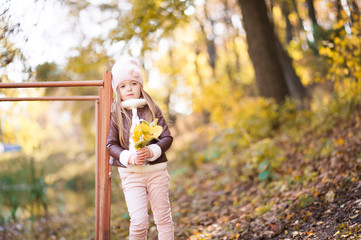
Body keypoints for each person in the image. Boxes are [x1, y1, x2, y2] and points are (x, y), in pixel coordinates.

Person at [106, 56, 174, 240]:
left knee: (163, 218)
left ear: (140, 86)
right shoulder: (115, 115)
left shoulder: (151, 109)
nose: (129, 88)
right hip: (131, 175)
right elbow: (110, 145)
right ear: (117, 90)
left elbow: (167, 137)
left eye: (133, 83)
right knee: (139, 221)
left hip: (156, 173)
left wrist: (153, 151)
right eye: (123, 85)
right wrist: (128, 157)